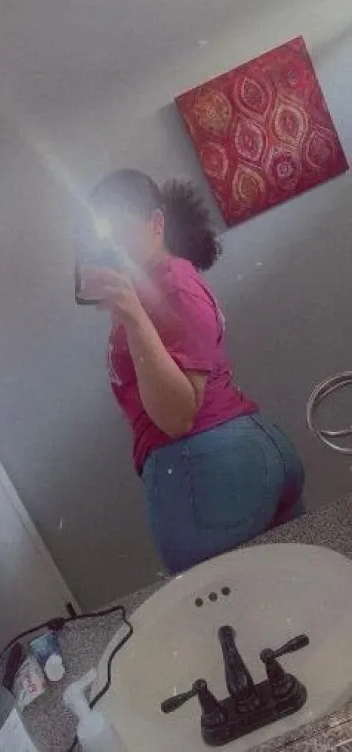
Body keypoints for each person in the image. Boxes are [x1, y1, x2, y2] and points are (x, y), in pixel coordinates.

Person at [85, 169, 305, 574]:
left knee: (229, 606)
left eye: (120, 228)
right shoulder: (159, 285)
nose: (112, 244)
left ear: (156, 224)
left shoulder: (171, 287)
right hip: (234, 457)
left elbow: (177, 416)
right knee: (300, 590)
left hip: (203, 471)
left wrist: (132, 315)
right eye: (103, 234)